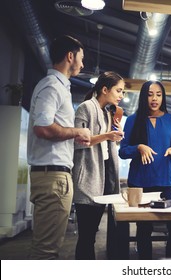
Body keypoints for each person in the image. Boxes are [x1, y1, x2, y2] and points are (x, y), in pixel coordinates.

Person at [27, 35, 91, 259]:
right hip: (53, 177)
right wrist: (77, 132)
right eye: (81, 59)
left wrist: (73, 137)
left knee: (48, 247)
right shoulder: (53, 86)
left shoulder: (58, 87)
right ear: (70, 56)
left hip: (53, 176)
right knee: (46, 251)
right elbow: (43, 128)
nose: (82, 65)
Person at [119, 80, 171, 259]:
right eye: (150, 94)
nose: (154, 98)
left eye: (158, 94)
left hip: (165, 182)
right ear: (143, 97)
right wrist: (138, 147)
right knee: (144, 229)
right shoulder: (133, 120)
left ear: (163, 97)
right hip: (140, 183)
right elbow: (123, 151)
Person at [72, 71, 125, 259]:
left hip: (102, 182)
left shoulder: (107, 114)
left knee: (91, 236)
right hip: (87, 180)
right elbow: (77, 142)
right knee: (86, 237)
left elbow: (105, 147)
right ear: (105, 89)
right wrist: (107, 136)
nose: (121, 95)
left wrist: (115, 137)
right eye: (119, 90)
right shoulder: (85, 107)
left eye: (123, 92)